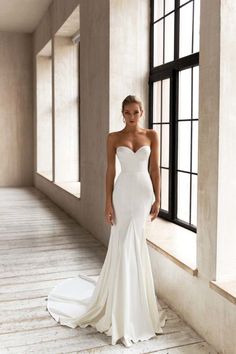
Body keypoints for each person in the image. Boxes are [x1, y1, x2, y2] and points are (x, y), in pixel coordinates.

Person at [46, 95, 167, 348]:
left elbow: (155, 169)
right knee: (122, 244)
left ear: (142, 112)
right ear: (122, 114)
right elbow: (110, 170)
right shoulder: (113, 137)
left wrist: (158, 199)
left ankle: (134, 305)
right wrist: (107, 202)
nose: (132, 117)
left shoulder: (152, 136)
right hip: (122, 194)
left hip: (144, 194)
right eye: (127, 112)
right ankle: (119, 306)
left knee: (135, 244)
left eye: (136, 112)